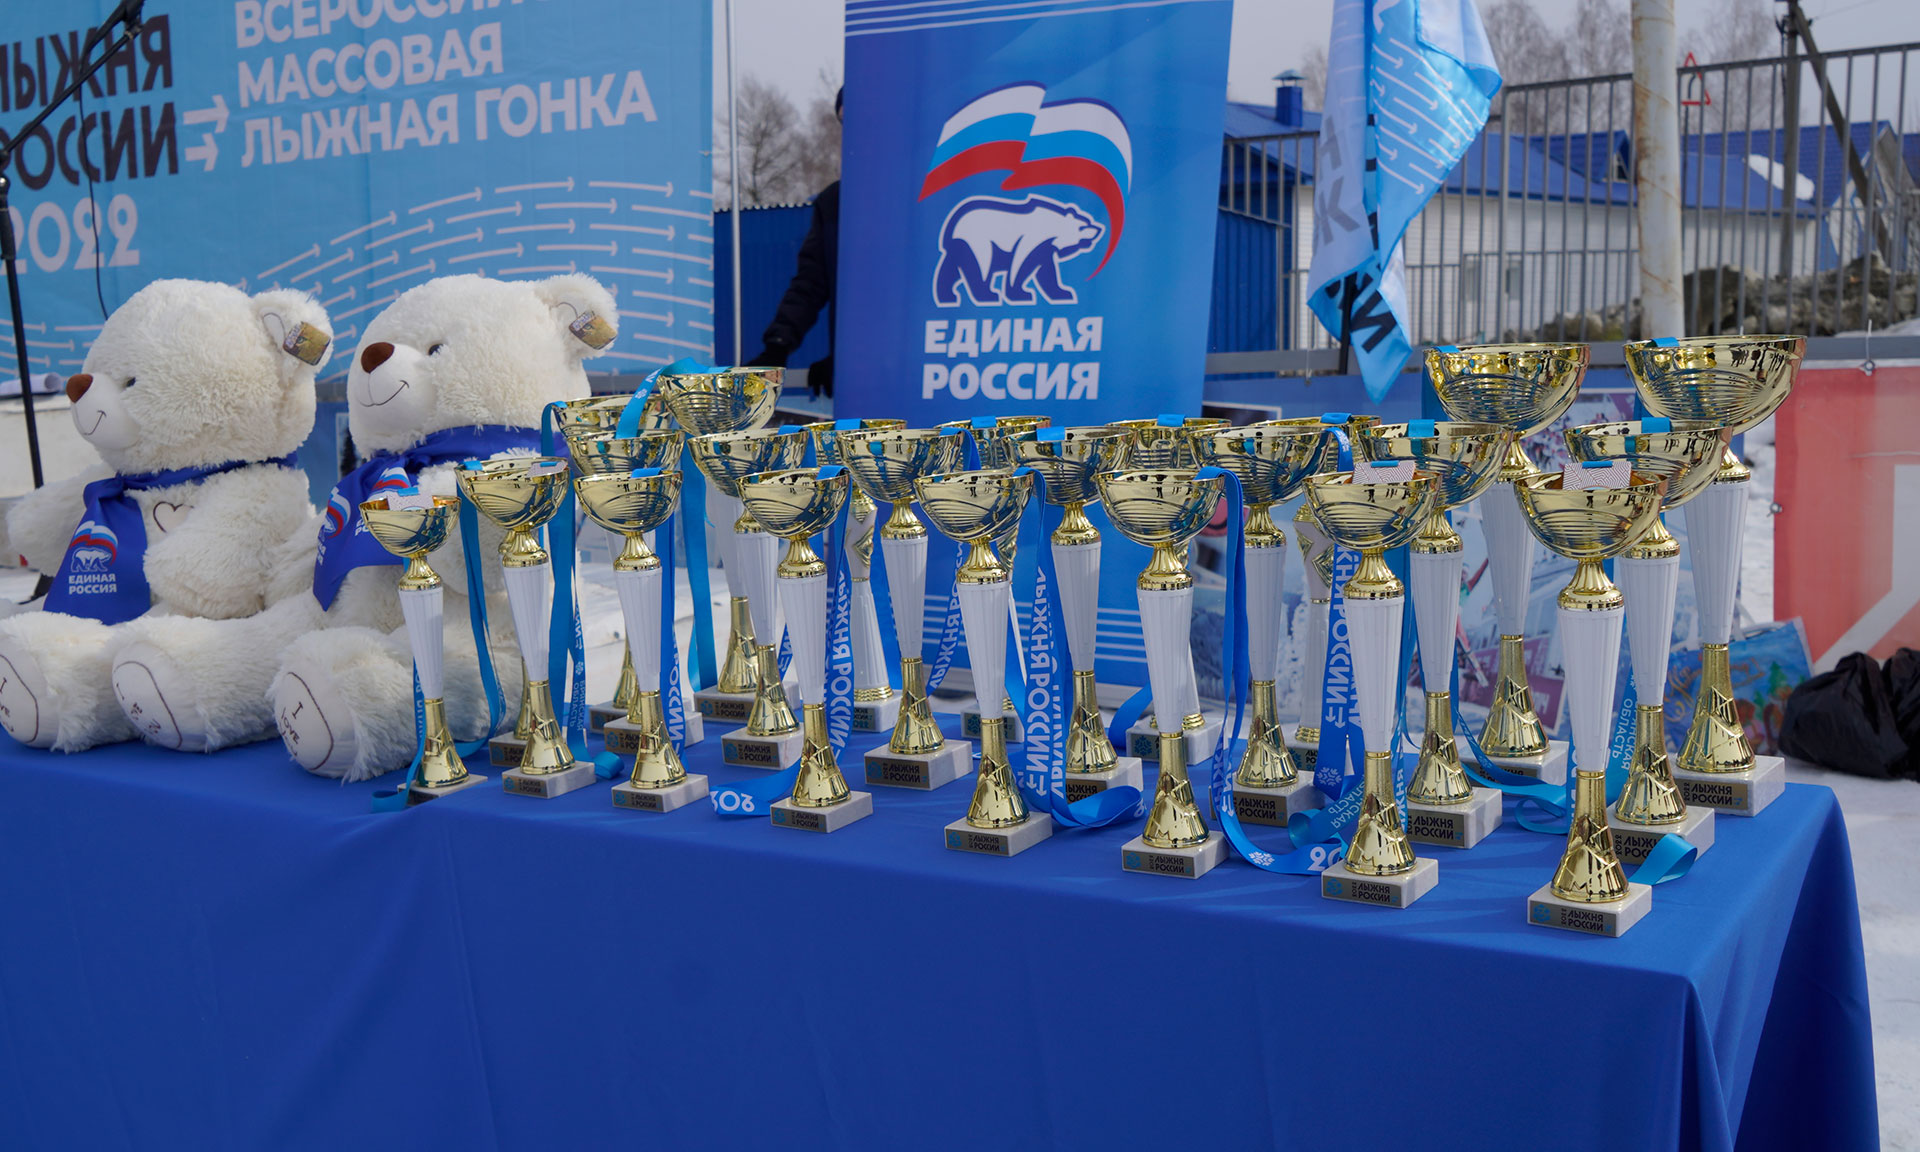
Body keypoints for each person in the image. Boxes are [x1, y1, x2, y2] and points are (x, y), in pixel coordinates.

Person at [750, 88, 840, 398]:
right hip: (859, 384)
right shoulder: (834, 203)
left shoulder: (917, 196)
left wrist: (858, 356)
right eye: (844, 121)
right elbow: (810, 284)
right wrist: (778, 346)